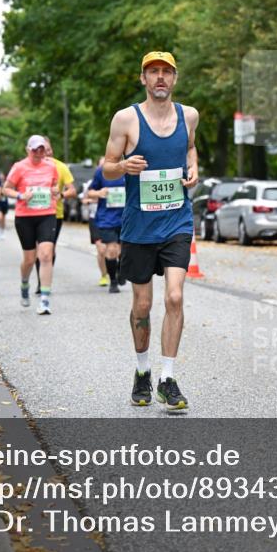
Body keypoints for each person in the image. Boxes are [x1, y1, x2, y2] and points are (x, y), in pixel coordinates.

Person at [102, 51, 199, 410]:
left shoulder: (189, 116)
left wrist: (194, 168)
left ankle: (167, 378)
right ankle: (142, 371)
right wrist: (124, 166)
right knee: (142, 304)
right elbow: (107, 166)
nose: (160, 77)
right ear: (143, 78)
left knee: (174, 297)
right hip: (139, 226)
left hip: (177, 221)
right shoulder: (126, 119)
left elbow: (190, 148)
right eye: (153, 71)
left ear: (174, 78)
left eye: (166, 72)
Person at [3, 135, 60, 314]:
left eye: (41, 149)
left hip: (47, 214)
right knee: (29, 259)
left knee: (46, 255)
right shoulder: (19, 167)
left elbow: (56, 188)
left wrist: (56, 191)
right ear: (28, 150)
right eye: (35, 149)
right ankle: (24, 283)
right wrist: (20, 195)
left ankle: (44, 299)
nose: (38, 152)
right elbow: (6, 189)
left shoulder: (51, 167)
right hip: (25, 217)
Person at [34, 138, 76, 294]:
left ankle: (43, 282)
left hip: (54, 214)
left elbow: (72, 190)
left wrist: (61, 195)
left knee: (47, 249)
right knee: (36, 250)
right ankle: (41, 279)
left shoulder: (60, 167)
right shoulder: (29, 166)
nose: (46, 153)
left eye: (48, 149)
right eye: (42, 149)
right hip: (32, 213)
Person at [85, 159, 127, 293]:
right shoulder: (101, 171)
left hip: (127, 218)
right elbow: (90, 192)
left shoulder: (128, 168)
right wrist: (99, 193)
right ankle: (113, 282)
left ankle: (120, 269)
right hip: (107, 218)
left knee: (123, 251)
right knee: (112, 249)